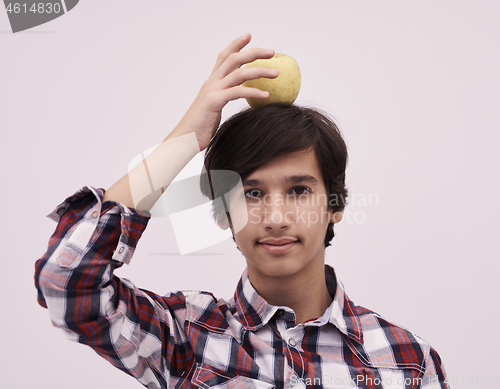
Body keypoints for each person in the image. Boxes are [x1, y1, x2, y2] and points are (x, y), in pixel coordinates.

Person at [35, 33, 449, 388]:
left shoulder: (408, 362)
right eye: (251, 194)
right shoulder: (186, 337)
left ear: (335, 205)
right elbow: (65, 280)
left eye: (299, 190)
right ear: (222, 213)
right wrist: (187, 138)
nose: (275, 217)